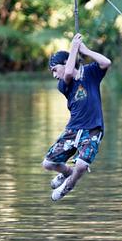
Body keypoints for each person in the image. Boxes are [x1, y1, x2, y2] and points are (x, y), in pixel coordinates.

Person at [42, 33, 112, 201]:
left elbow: (106, 62)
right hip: (73, 130)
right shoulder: (64, 85)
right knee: (48, 164)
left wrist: (85, 50)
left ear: (65, 63)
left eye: (54, 69)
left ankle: (69, 185)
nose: (54, 75)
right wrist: (74, 47)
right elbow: (67, 74)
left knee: (81, 164)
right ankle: (67, 173)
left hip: (93, 130)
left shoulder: (91, 73)